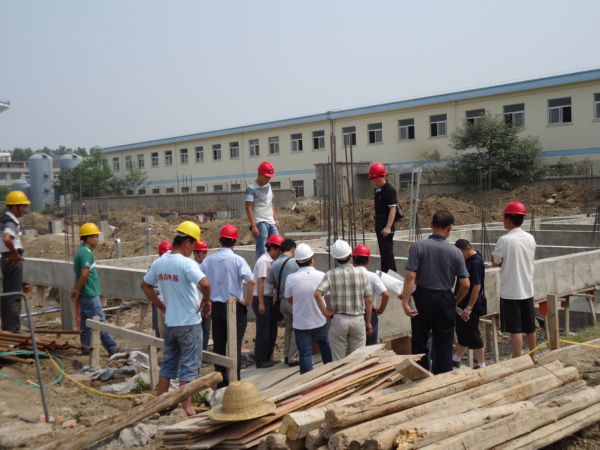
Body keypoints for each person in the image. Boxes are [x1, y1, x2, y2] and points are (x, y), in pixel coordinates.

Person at [141, 220, 210, 416]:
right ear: (187, 242)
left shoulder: (160, 262)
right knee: (189, 366)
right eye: (193, 245)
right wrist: (206, 300)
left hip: (170, 323)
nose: (193, 249)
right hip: (189, 323)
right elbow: (205, 284)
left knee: (169, 364)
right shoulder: (186, 263)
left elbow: (145, 285)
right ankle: (187, 407)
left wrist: (161, 305)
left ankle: (161, 404)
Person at [400, 210, 470, 374]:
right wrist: (455, 300)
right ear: (449, 228)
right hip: (445, 298)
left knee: (420, 341)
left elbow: (410, 276)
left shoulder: (419, 246)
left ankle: (421, 376)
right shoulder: (456, 252)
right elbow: (465, 284)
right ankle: (442, 377)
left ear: (431, 225)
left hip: (423, 297)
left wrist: (405, 301)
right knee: (444, 343)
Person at [201, 224, 255, 387]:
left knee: (219, 344)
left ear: (220, 240)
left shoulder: (209, 260)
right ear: (235, 242)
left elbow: (200, 281)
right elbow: (251, 281)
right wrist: (247, 301)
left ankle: (221, 380)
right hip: (234, 307)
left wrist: (206, 299)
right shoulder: (238, 260)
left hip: (216, 306)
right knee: (234, 345)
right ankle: (234, 381)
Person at [315, 239, 373, 360]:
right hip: (358, 319)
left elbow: (318, 293)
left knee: (338, 360)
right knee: (358, 359)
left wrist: (325, 312)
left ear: (335, 258)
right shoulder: (363, 272)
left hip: (339, 320)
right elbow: (368, 299)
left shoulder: (331, 274)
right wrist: (368, 321)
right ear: (350, 254)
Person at [492, 201, 537, 358]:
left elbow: (496, 261)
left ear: (509, 219)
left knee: (515, 329)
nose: (503, 220)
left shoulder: (504, 240)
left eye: (504, 217)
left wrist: (500, 261)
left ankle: (517, 358)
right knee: (530, 327)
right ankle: (532, 357)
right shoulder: (530, 238)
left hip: (510, 292)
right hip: (527, 289)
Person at [71, 223, 117, 356]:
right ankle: (112, 348)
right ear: (89, 238)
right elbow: (84, 275)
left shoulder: (82, 251)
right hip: (89, 294)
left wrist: (76, 290)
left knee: (86, 323)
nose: (98, 240)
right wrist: (77, 290)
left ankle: (86, 347)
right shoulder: (86, 253)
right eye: (96, 237)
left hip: (86, 294)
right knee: (100, 321)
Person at [285, 243, 332, 374]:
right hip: (319, 320)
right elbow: (325, 294)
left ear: (297, 262)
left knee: (305, 353)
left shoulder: (291, 278)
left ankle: (307, 379)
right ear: (312, 259)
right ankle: (330, 373)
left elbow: (289, 299)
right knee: (325, 347)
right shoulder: (321, 275)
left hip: (301, 324)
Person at [452, 239, 486, 369]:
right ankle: (456, 359)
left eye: (460, 253)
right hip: (462, 303)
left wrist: (469, 307)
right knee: (462, 331)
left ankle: (481, 364)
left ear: (467, 249)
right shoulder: (468, 260)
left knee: (472, 332)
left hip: (470, 304)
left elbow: (477, 286)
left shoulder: (475, 262)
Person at [252, 234, 284, 368]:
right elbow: (260, 282)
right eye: (279, 250)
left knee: (272, 330)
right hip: (262, 298)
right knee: (263, 331)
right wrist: (261, 303)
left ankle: (268, 357)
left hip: (269, 298)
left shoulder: (271, 261)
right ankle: (260, 360)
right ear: (273, 248)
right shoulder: (264, 261)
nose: (280, 253)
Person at [0, 191, 30, 333]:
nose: (25, 209)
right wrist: (14, 253)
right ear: (14, 207)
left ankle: (7, 327)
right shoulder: (11, 221)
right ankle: (13, 329)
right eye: (23, 206)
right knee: (14, 295)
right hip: (12, 259)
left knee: (8, 294)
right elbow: (7, 238)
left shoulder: (4, 219)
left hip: (6, 258)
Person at [268, 238, 299, 366]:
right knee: (296, 329)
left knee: (288, 328)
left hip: (281, 302)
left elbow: (272, 282)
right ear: (292, 249)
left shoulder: (274, 264)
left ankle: (286, 355)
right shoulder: (294, 263)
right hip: (293, 300)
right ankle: (293, 357)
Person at [351, 244, 390, 346]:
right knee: (370, 347)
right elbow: (386, 294)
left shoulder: (347, 275)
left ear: (353, 259)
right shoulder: (372, 276)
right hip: (369, 314)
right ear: (368, 260)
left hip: (351, 314)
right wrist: (381, 310)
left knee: (354, 348)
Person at [369, 162, 401, 273]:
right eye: (373, 180)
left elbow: (393, 209)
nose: (375, 182)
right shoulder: (378, 189)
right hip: (379, 222)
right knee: (383, 253)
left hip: (386, 223)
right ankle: (384, 273)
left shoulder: (389, 189)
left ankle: (392, 275)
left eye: (376, 180)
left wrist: (388, 227)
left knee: (388, 253)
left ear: (383, 176)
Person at [245, 161, 279, 260]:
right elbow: (248, 207)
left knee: (277, 245)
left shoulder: (269, 186)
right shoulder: (251, 189)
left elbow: (270, 204)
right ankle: (260, 267)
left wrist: (276, 220)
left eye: (270, 177)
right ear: (260, 174)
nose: (268, 179)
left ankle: (274, 266)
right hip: (260, 223)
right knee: (262, 249)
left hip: (271, 222)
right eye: (266, 177)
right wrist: (254, 226)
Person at [151, 240, 172, 338]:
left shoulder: (154, 265)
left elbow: (147, 285)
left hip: (158, 301)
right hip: (168, 303)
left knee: (161, 331)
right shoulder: (173, 265)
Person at [193, 239, 211, 351]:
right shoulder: (192, 267)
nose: (205, 255)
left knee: (206, 330)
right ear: (195, 253)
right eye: (203, 252)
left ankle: (203, 353)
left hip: (206, 302)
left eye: (206, 252)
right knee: (197, 330)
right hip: (197, 304)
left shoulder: (206, 265)